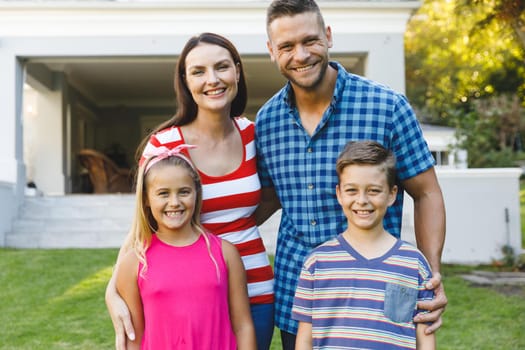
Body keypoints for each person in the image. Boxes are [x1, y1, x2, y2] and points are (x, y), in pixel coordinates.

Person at [254, 0, 447, 348]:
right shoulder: (267, 122)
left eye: (309, 40)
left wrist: (431, 276)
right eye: (286, 46)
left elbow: (427, 192)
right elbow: (267, 199)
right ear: (272, 51)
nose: (300, 55)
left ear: (328, 36)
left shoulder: (387, 107)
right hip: (303, 295)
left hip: (384, 287)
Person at [106, 33, 275, 350]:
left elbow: (274, 195)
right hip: (185, 292)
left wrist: (236, 228)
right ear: (185, 81)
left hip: (254, 289)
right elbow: (143, 223)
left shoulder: (254, 135)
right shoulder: (165, 145)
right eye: (198, 71)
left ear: (237, 71)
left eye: (222, 67)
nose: (212, 80)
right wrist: (113, 287)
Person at [292, 140, 435, 350]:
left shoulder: (414, 264)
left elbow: (426, 337)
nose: (362, 200)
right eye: (351, 190)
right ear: (339, 194)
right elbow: (304, 340)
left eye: (374, 190)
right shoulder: (317, 263)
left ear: (392, 194)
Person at [116, 145, 256, 349]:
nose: (174, 202)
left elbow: (243, 326)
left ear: (196, 194)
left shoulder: (224, 254)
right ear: (146, 198)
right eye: (163, 193)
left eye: (183, 192)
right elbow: (134, 337)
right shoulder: (135, 262)